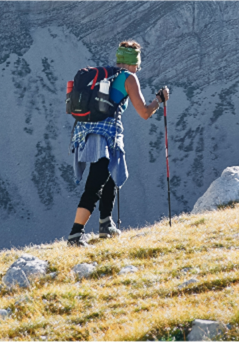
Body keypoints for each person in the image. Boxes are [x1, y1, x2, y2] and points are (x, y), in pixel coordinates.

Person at [67, 40, 169, 246]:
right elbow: (145, 112)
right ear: (134, 63)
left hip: (85, 132)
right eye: (138, 65)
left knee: (109, 175)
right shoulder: (128, 78)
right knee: (95, 183)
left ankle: (106, 224)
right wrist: (159, 100)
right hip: (106, 136)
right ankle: (75, 235)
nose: (138, 69)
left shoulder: (106, 74)